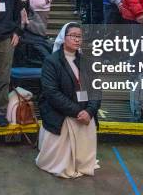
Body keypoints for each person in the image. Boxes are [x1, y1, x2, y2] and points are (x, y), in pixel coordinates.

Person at [37, 22, 100, 178]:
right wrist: (78, 111)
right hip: (61, 113)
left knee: (88, 120)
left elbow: (96, 89)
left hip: (84, 112)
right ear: (63, 38)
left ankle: (83, 162)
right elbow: (51, 93)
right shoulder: (51, 62)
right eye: (73, 36)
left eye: (79, 36)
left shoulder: (86, 61)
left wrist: (90, 111)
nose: (77, 39)